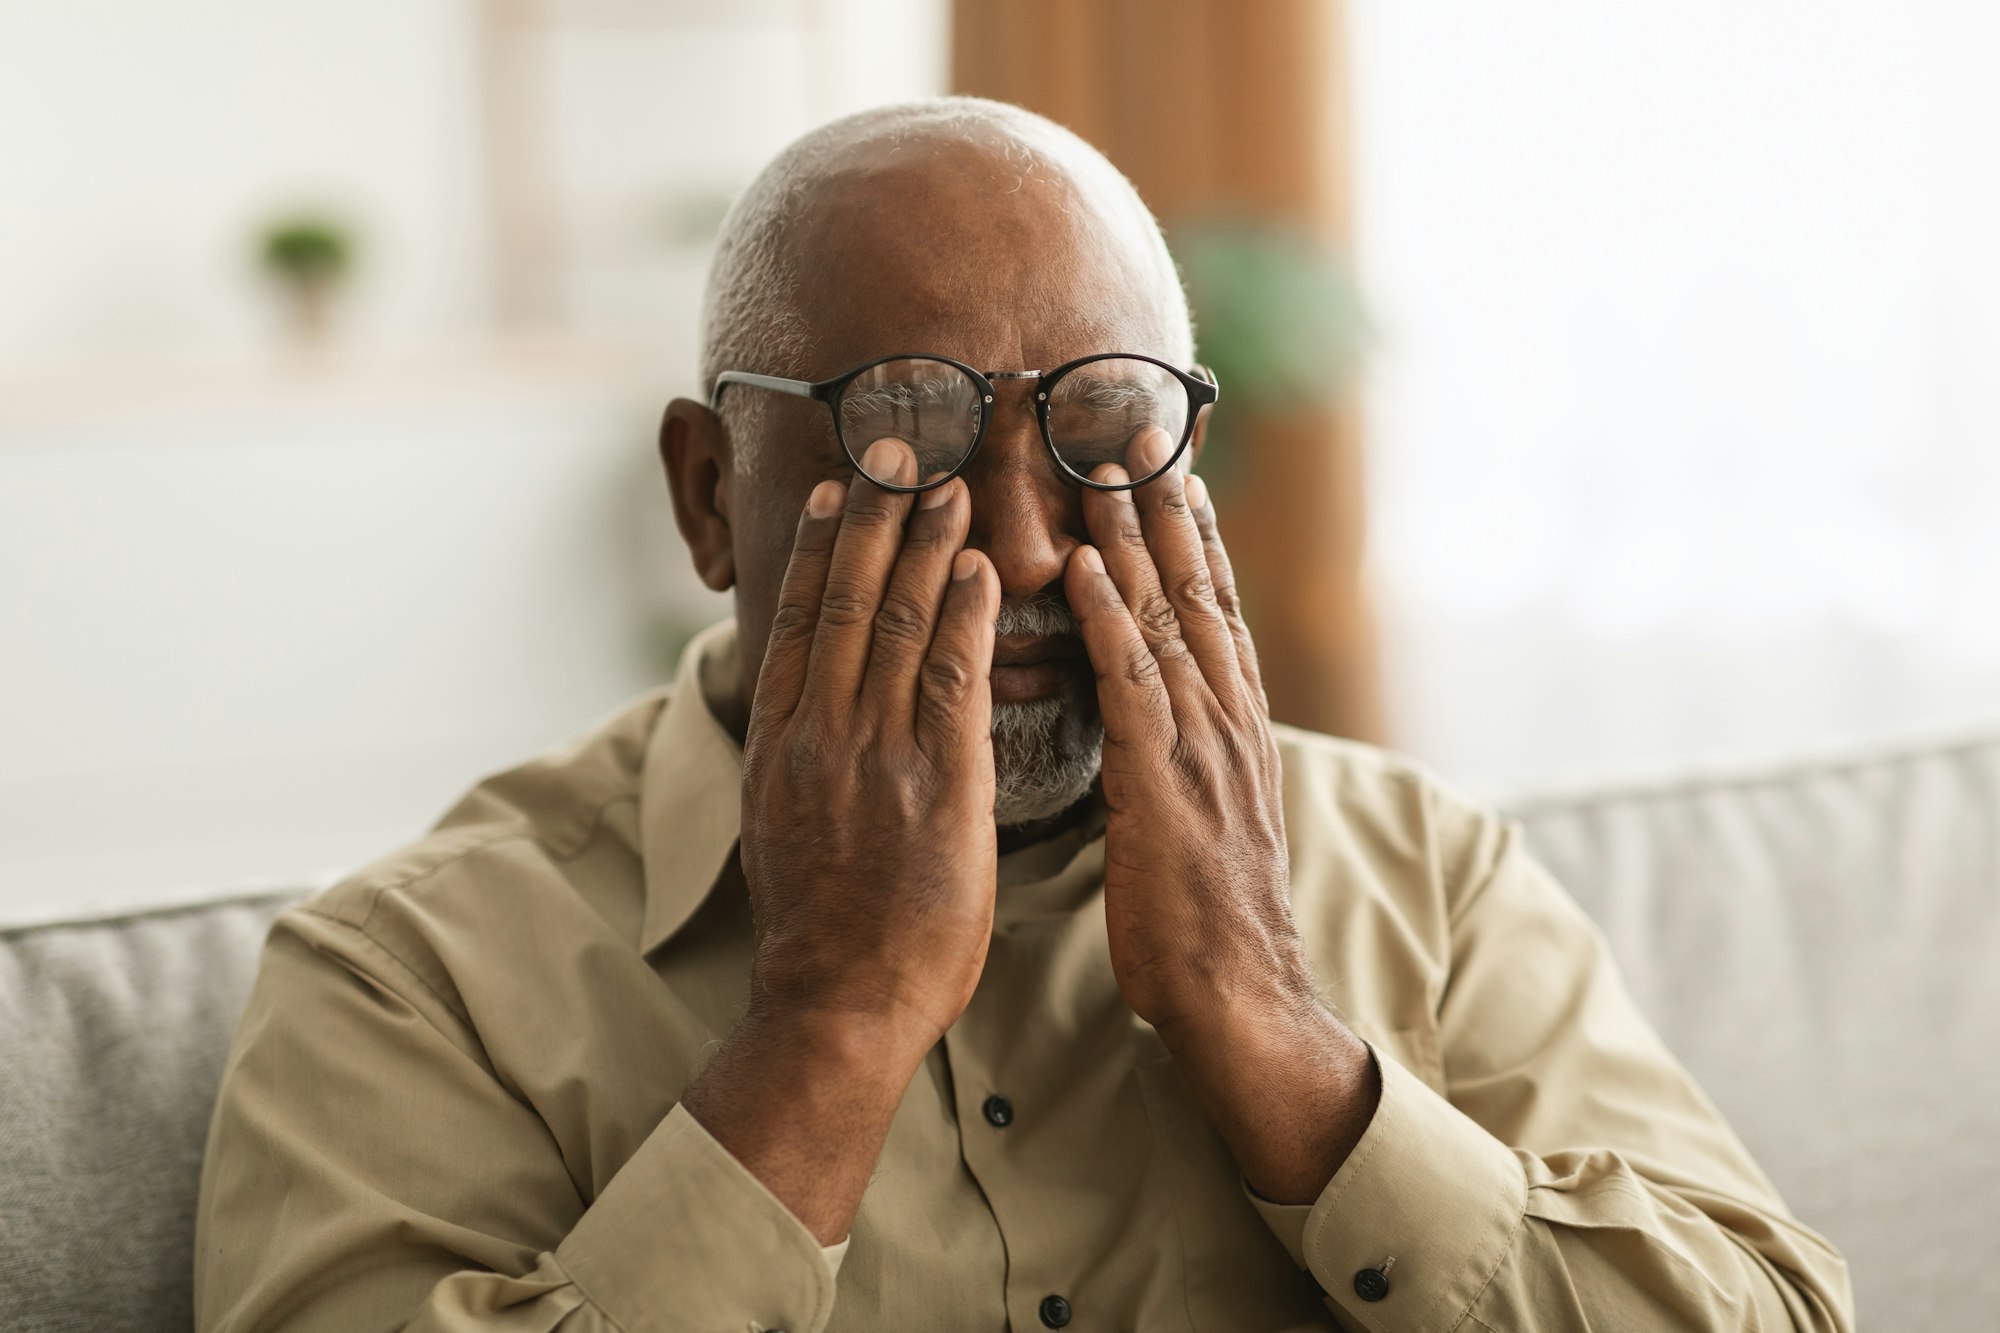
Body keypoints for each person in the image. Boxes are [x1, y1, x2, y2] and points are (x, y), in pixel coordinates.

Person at [194, 97, 1852, 1332]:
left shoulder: (1422, 868)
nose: (1036, 538)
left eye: (1106, 426)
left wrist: (1271, 1029)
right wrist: (830, 1026)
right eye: (903, 429)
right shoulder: (410, 978)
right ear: (710, 496)